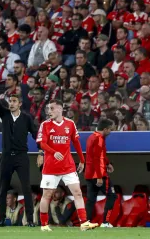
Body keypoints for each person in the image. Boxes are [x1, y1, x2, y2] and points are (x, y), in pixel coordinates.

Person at [36, 99, 98, 231]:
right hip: (51, 167)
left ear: (60, 109)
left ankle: (84, 223)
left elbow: (76, 142)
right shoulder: (45, 125)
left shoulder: (70, 124)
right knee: (47, 195)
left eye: (52, 108)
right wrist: (54, 152)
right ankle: (44, 225)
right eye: (48, 109)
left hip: (68, 166)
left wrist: (82, 160)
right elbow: (42, 144)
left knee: (78, 193)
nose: (49, 111)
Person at [0, 71, 37, 227]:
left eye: (14, 101)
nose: (11, 103)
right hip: (7, 156)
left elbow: (36, 135)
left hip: (22, 156)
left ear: (20, 104)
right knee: (3, 189)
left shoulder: (27, 118)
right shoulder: (5, 115)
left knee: (26, 188)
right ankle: (1, 219)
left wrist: (42, 150)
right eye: (10, 101)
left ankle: (30, 220)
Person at [84, 119, 116, 228]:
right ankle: (105, 222)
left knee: (90, 200)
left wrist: (108, 163)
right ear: (105, 129)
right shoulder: (99, 139)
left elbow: (100, 155)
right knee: (112, 195)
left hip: (89, 174)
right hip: (98, 174)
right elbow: (97, 159)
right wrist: (99, 176)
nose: (110, 132)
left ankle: (86, 222)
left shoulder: (91, 137)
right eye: (110, 130)